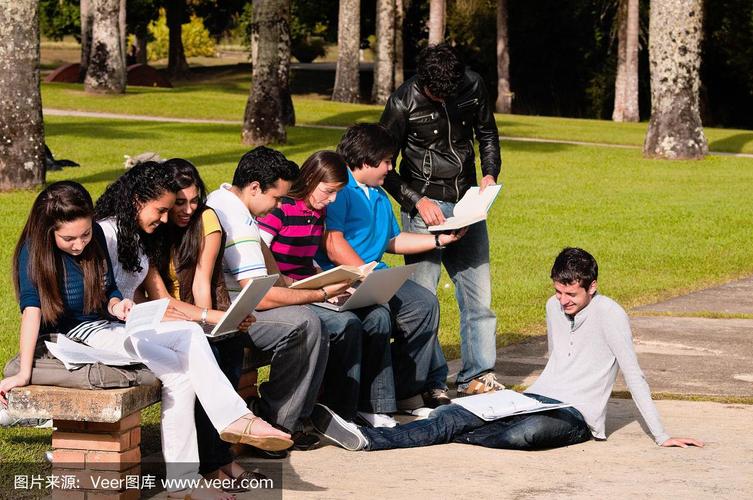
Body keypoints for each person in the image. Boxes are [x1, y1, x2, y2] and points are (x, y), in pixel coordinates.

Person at [0, 181, 290, 500]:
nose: (80, 243)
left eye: (84, 234)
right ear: (47, 231)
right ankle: (233, 418)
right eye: (69, 238)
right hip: (73, 336)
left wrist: (117, 304)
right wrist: (24, 372)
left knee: (181, 373)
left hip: (108, 326)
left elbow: (108, 290)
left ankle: (185, 481)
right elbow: (32, 309)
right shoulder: (33, 249)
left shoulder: (94, 235)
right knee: (187, 346)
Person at [311, 248, 705, 452]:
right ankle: (367, 438)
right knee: (454, 412)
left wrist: (662, 434)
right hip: (535, 398)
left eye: (571, 293)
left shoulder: (611, 314)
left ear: (592, 286)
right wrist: (517, 399)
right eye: (558, 290)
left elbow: (634, 374)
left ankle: (451, 434)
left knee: (523, 437)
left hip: (576, 415)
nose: (563, 300)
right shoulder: (554, 306)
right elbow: (560, 360)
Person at [380, 43, 502, 396]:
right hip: (423, 206)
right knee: (423, 302)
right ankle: (431, 382)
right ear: (423, 80)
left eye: (446, 94)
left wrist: (490, 175)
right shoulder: (402, 102)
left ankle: (478, 376)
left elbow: (488, 134)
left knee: (479, 297)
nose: (440, 100)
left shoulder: (473, 85)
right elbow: (383, 166)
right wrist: (417, 201)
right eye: (434, 94)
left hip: (468, 201)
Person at [318, 123, 465, 410]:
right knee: (382, 314)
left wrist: (439, 240)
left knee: (424, 304)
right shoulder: (340, 189)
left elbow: (393, 240)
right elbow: (333, 246)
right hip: (348, 278)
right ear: (366, 159)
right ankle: (375, 396)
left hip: (376, 275)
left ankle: (400, 388)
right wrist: (366, 275)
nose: (390, 168)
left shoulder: (379, 195)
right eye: (386, 161)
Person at [137, 158, 262, 491]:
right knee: (208, 364)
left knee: (225, 348)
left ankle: (218, 463)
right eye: (180, 202)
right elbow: (159, 297)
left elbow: (204, 280)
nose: (188, 209)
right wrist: (205, 324)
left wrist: (210, 323)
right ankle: (216, 466)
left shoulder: (207, 220)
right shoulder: (152, 229)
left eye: (194, 200)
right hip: (166, 318)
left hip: (200, 313)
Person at [207, 146, 337, 454]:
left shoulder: (224, 197)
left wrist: (295, 284)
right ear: (254, 187)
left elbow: (267, 272)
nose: (278, 205)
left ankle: (290, 416)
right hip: (231, 309)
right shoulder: (238, 223)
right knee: (305, 323)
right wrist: (320, 293)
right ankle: (278, 424)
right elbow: (259, 298)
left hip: (234, 300)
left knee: (314, 318)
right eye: (277, 198)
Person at [257, 150, 397, 428]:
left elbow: (306, 258)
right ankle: (336, 410)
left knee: (377, 314)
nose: (331, 200)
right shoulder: (279, 210)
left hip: (311, 284)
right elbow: (259, 254)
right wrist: (297, 283)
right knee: (347, 324)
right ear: (310, 179)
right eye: (328, 191)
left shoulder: (316, 214)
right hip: (289, 292)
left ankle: (360, 408)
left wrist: (334, 280)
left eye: (336, 193)